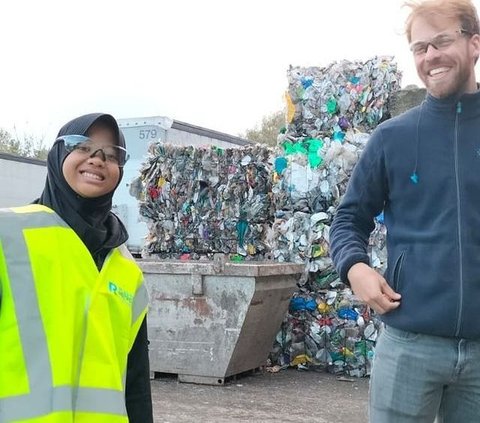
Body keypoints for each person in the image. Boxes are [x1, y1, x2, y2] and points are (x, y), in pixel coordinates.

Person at [329, 1, 480, 422]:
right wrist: (355, 268)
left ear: (474, 44)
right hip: (409, 343)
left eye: (442, 41)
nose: (430, 56)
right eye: (420, 47)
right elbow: (348, 219)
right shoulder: (391, 138)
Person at [0, 113, 153, 422]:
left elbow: (135, 383)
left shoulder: (125, 267)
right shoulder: (8, 235)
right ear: (58, 155)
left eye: (111, 155)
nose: (97, 160)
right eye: (82, 147)